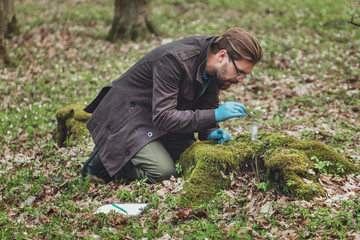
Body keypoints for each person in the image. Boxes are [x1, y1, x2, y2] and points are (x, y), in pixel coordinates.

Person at [81, 27, 262, 183]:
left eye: (245, 75)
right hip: (127, 119)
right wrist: (215, 115)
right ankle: (104, 163)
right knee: (162, 172)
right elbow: (164, 117)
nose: (240, 80)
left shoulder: (215, 68)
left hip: (157, 120)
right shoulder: (176, 59)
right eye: (240, 72)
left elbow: (207, 107)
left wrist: (211, 130)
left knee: (191, 155)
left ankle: (131, 153)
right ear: (222, 56)